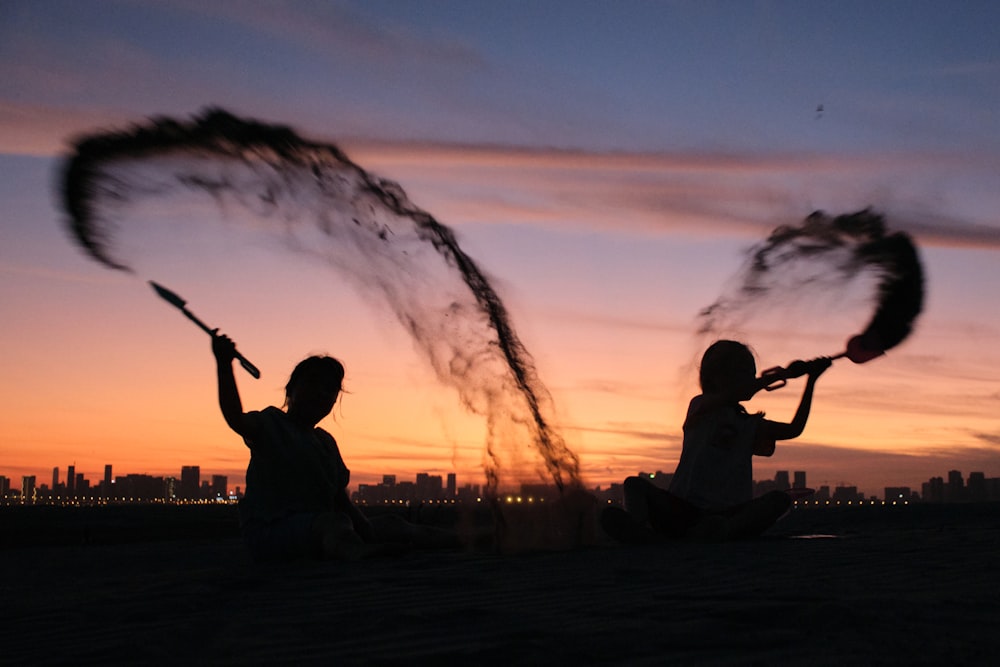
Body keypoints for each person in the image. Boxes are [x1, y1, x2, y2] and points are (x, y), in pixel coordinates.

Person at [212, 332, 456, 561]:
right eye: (313, 384)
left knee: (392, 523)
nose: (321, 394)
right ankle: (358, 553)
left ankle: (462, 540)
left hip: (320, 525)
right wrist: (225, 365)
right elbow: (235, 417)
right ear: (291, 389)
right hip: (270, 533)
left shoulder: (325, 443)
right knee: (334, 524)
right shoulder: (271, 424)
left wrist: (367, 529)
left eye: (330, 389)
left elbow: (340, 498)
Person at [602, 340, 831, 542]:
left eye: (750, 373)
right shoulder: (700, 407)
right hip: (683, 510)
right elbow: (731, 397)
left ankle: (690, 534)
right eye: (742, 373)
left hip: (727, 512)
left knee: (779, 500)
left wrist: (812, 381)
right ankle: (655, 532)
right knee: (633, 484)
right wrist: (769, 380)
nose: (750, 379)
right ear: (716, 378)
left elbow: (793, 429)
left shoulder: (749, 424)